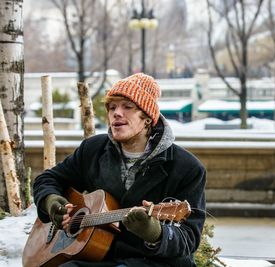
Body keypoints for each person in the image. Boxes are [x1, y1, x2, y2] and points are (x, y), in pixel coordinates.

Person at [33, 73, 206, 267]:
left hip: (154, 263)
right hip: (100, 257)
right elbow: (48, 179)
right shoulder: (93, 149)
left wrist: (155, 233)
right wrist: (51, 201)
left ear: (147, 117)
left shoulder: (187, 168)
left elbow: (189, 238)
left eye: (127, 106)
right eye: (112, 107)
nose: (116, 113)